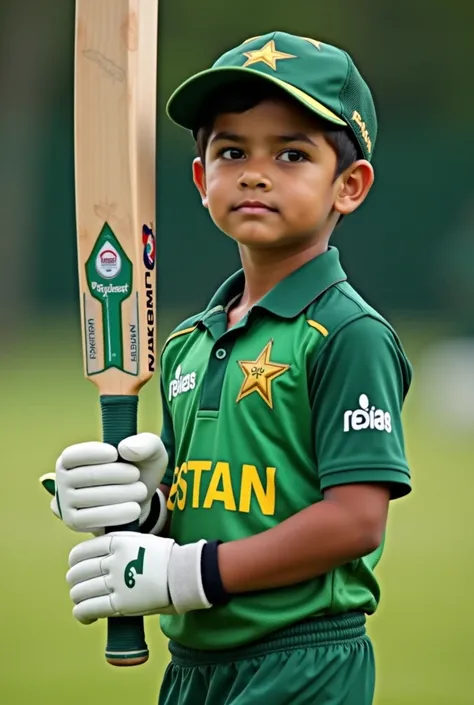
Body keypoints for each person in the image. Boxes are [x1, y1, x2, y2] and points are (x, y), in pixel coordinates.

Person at [42, 31, 413, 705]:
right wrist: (142, 515)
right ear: (200, 177)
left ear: (349, 186)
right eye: (231, 150)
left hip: (303, 661)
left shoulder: (348, 333)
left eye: (292, 153)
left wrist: (190, 572)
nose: (254, 171)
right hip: (193, 666)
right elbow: (204, 510)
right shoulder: (186, 341)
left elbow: (355, 520)